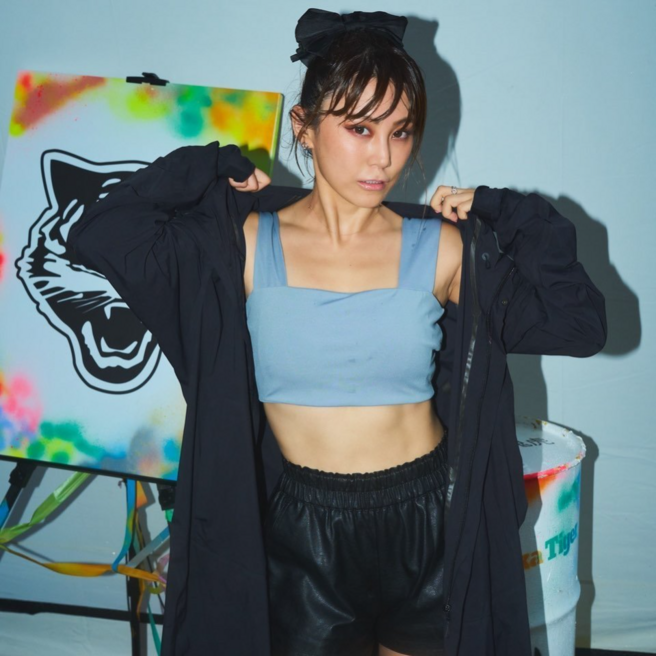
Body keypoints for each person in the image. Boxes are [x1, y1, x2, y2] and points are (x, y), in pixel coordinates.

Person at [66, 8, 607, 656]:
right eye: (360, 128)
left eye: (401, 131)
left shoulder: (442, 249)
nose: (384, 156)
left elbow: (579, 324)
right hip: (305, 534)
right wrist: (205, 167)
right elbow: (100, 233)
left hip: (429, 521)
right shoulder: (244, 246)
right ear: (304, 125)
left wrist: (508, 211)